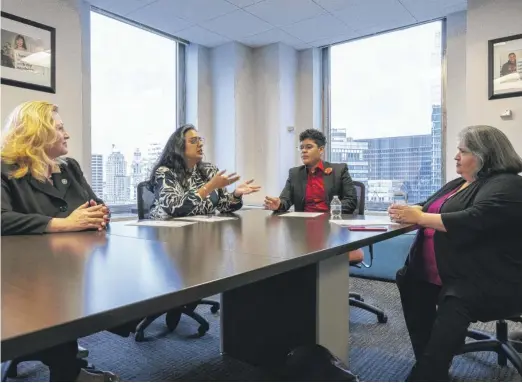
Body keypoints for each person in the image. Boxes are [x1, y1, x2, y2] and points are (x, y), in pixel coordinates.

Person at [388, 125, 522, 381]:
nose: (456, 157)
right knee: (409, 280)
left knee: (456, 298)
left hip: (489, 277)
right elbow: (427, 207)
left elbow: (473, 218)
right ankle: (429, 357)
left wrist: (420, 216)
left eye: (463, 151)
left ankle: (429, 372)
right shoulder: (459, 183)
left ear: (485, 156)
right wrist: (406, 211)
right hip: (439, 271)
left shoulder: (509, 184)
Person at [1, 101, 118, 381]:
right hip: (20, 276)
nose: (67, 134)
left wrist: (99, 214)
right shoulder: (4, 169)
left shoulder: (69, 167)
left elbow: (95, 205)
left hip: (68, 267)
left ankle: (66, 362)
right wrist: (64, 224)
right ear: (37, 132)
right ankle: (69, 371)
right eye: (60, 128)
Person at [263, 129, 364, 262]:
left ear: (321, 149)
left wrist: (328, 213)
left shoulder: (339, 170)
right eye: (301, 148)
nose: (303, 151)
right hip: (303, 231)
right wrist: (278, 204)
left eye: (309, 147)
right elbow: (285, 200)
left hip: (332, 229)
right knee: (278, 252)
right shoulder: (295, 174)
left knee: (352, 255)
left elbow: (351, 202)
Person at [148, 124, 260, 219]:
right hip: (167, 236)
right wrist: (210, 186)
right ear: (179, 147)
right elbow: (175, 208)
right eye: (193, 141)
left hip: (199, 233)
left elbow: (223, 206)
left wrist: (236, 195)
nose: (200, 144)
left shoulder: (209, 171)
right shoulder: (164, 172)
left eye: (200, 140)